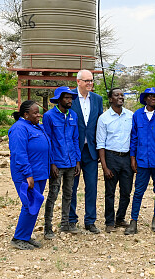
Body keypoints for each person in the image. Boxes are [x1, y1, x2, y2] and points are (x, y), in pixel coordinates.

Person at [125, 87, 155, 235]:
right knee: (138, 191)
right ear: (145, 99)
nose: (153, 98)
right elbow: (133, 137)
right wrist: (132, 158)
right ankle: (133, 222)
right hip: (142, 161)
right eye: (150, 96)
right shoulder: (137, 115)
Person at [8, 100, 50, 250]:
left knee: (35, 205)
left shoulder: (34, 126)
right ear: (26, 114)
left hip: (39, 173)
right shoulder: (19, 129)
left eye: (38, 112)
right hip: (27, 175)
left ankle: (25, 236)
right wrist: (28, 174)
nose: (39, 115)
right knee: (29, 205)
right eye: (35, 113)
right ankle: (18, 238)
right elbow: (19, 153)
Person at [42, 86, 81, 239]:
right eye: (66, 98)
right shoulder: (49, 116)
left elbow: (75, 138)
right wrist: (51, 163)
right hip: (57, 163)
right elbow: (48, 141)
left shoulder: (73, 115)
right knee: (53, 194)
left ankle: (65, 224)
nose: (69, 100)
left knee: (69, 194)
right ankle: (48, 227)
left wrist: (77, 160)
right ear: (59, 99)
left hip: (71, 162)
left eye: (71, 97)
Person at [69, 69, 104, 234]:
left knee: (91, 187)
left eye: (91, 80)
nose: (90, 83)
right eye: (87, 81)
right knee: (71, 187)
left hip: (90, 150)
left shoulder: (97, 99)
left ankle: (90, 221)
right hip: (73, 151)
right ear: (78, 82)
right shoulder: (69, 98)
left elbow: (100, 124)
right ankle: (71, 220)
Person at [96, 88, 134, 233]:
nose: (120, 97)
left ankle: (120, 218)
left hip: (127, 158)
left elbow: (134, 139)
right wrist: (105, 167)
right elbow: (100, 144)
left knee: (126, 191)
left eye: (122, 95)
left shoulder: (130, 116)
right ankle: (109, 221)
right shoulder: (104, 118)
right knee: (110, 192)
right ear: (110, 99)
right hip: (111, 158)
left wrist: (133, 160)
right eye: (116, 95)